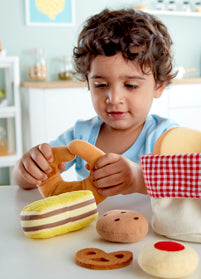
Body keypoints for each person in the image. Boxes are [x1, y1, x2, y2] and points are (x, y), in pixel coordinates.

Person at [13, 8, 178, 197]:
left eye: (130, 85)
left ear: (159, 86)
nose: (114, 98)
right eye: (101, 84)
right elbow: (26, 182)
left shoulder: (165, 136)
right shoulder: (80, 134)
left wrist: (139, 178)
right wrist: (26, 169)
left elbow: (186, 182)